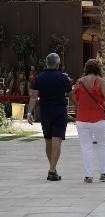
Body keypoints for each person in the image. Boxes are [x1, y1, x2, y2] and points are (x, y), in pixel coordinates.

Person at [27, 53, 71, 181]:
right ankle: (52, 170)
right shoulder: (63, 78)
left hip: (45, 113)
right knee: (57, 141)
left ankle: (52, 169)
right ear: (58, 64)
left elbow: (34, 96)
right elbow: (70, 94)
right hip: (59, 112)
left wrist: (29, 112)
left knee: (48, 141)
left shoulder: (39, 77)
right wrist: (78, 107)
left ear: (46, 63)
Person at [72, 59, 105, 183]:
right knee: (102, 146)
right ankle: (104, 173)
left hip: (82, 119)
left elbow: (73, 97)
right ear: (98, 69)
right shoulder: (100, 81)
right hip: (98, 118)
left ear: (86, 69)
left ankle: (88, 175)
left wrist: (78, 107)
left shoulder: (79, 82)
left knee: (86, 147)